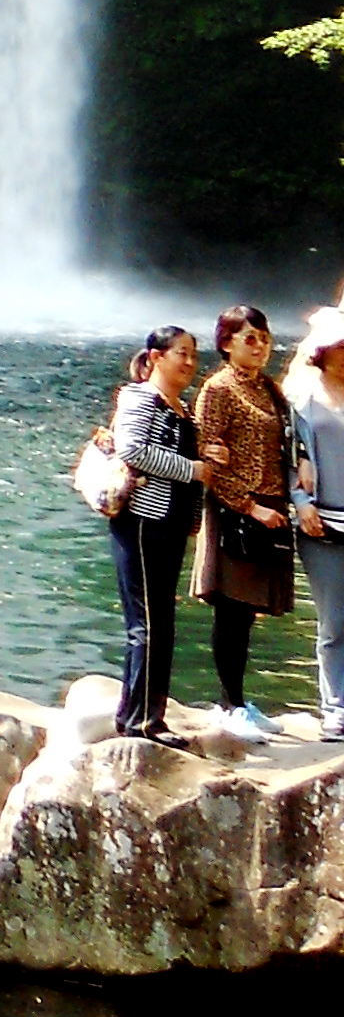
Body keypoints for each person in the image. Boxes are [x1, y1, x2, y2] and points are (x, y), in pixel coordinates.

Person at [194, 303, 300, 740]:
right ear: (226, 343)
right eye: (249, 339)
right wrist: (248, 505)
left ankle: (240, 702)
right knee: (231, 609)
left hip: (270, 509)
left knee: (248, 611)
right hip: (236, 511)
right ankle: (228, 704)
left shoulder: (269, 389)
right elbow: (207, 454)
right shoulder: (218, 389)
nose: (260, 347)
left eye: (264, 339)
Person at [109, 325, 203, 741]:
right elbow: (130, 449)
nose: (188, 362)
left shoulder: (181, 407)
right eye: (181, 353)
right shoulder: (140, 398)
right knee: (148, 624)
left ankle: (140, 715)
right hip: (143, 522)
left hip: (169, 523)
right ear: (156, 357)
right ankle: (142, 722)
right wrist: (192, 470)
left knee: (160, 622)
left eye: (193, 355)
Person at [291, 305, 344, 741]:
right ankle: (335, 708)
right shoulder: (302, 404)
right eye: (338, 347)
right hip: (320, 524)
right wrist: (299, 501)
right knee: (333, 622)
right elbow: (287, 460)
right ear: (321, 353)